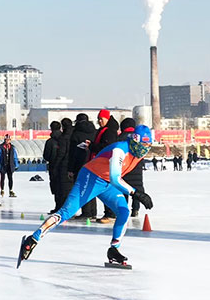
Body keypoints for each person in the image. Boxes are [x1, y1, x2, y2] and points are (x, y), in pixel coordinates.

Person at [18, 125, 154, 267]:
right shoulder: (119, 149)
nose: (144, 149)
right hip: (91, 178)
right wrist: (136, 193)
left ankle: (114, 249)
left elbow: (115, 178)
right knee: (66, 212)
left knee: (124, 211)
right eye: (143, 145)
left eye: (148, 145)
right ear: (134, 141)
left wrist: (137, 192)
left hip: (106, 184)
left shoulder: (139, 153)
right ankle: (33, 239)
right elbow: (115, 177)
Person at [88, 109, 119, 224]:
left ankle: (111, 214)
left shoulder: (109, 131)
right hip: (101, 163)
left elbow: (106, 147)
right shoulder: (104, 130)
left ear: (107, 118)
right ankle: (109, 212)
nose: (100, 121)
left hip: (106, 164)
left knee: (106, 189)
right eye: (99, 119)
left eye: (101, 119)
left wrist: (92, 146)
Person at [67, 113, 96, 220]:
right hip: (93, 163)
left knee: (82, 188)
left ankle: (86, 212)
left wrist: (70, 169)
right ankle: (93, 211)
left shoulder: (76, 134)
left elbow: (72, 153)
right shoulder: (95, 132)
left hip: (80, 164)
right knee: (93, 187)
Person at [118, 118, 145, 217]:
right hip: (136, 166)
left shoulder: (120, 138)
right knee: (136, 187)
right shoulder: (138, 138)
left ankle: (124, 209)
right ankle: (135, 209)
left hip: (124, 168)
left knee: (123, 188)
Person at [43, 121, 62, 213]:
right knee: (64, 187)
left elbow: (46, 156)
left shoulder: (50, 142)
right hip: (64, 167)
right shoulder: (65, 139)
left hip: (53, 166)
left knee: (55, 187)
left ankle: (58, 206)